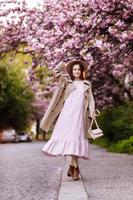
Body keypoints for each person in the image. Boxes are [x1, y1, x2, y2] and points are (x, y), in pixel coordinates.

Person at [40, 60, 96, 181]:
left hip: (79, 117)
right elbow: (56, 71)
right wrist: (63, 65)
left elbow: (91, 100)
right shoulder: (66, 82)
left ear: (82, 71)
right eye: (74, 69)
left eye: (78, 69)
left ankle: (72, 166)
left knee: (75, 140)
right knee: (69, 139)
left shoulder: (87, 84)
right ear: (71, 71)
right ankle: (75, 168)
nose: (76, 71)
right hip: (67, 116)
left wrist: (92, 111)